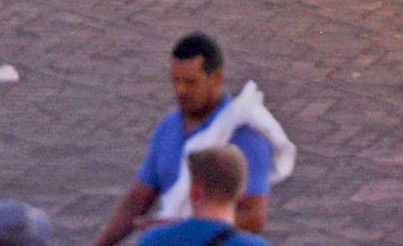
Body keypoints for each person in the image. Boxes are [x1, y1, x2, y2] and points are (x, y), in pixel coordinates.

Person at [85, 34, 294, 246]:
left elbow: (255, 217)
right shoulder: (168, 127)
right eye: (175, 80)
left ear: (217, 78)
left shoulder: (246, 137)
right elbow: (138, 199)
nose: (180, 90)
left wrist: (182, 230)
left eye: (191, 82)